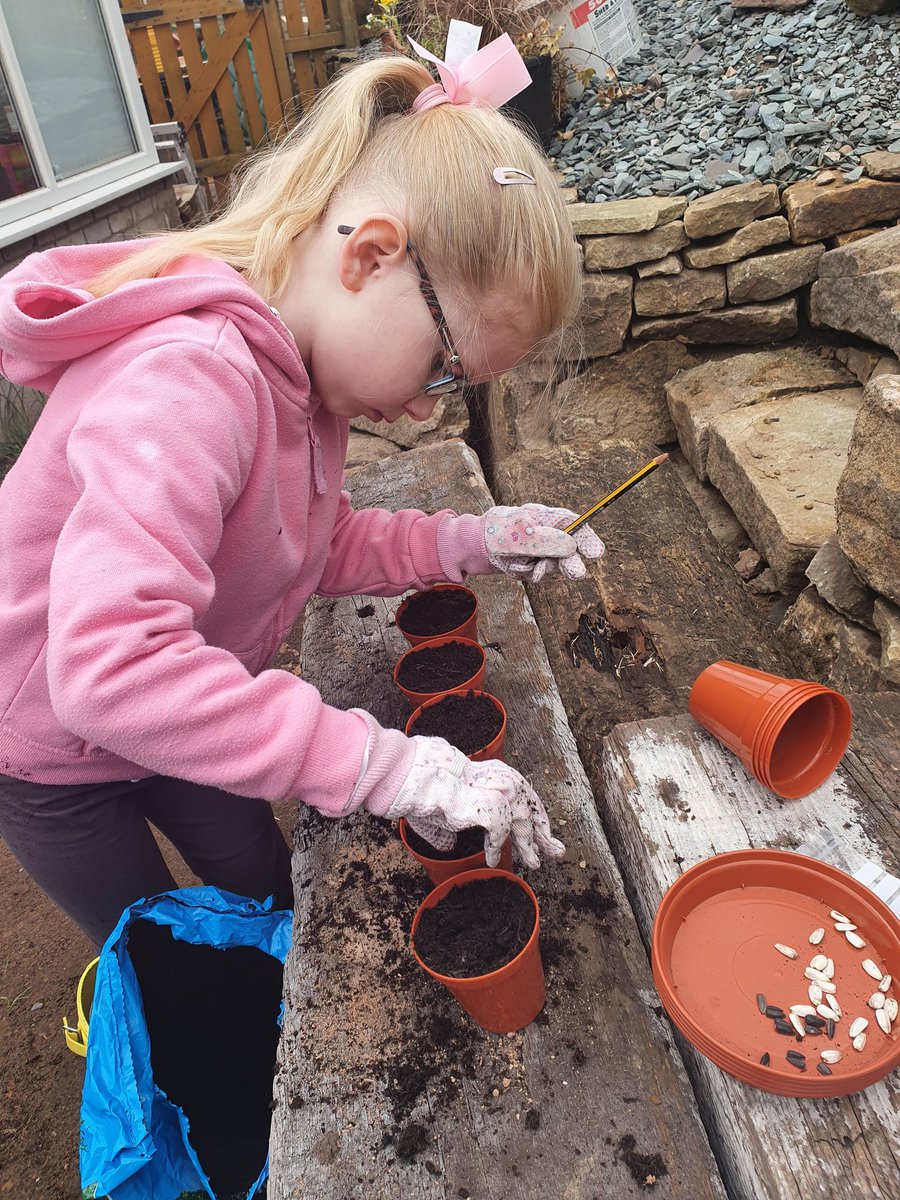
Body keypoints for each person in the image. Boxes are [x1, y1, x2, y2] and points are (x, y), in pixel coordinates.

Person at [0, 33, 603, 948]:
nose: (419, 410)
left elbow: (313, 546)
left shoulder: (301, 381)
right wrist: (385, 766)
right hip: (51, 749)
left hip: (185, 696)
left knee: (262, 886)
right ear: (370, 256)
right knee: (158, 949)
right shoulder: (188, 381)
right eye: (443, 370)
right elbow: (110, 672)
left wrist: (477, 541)